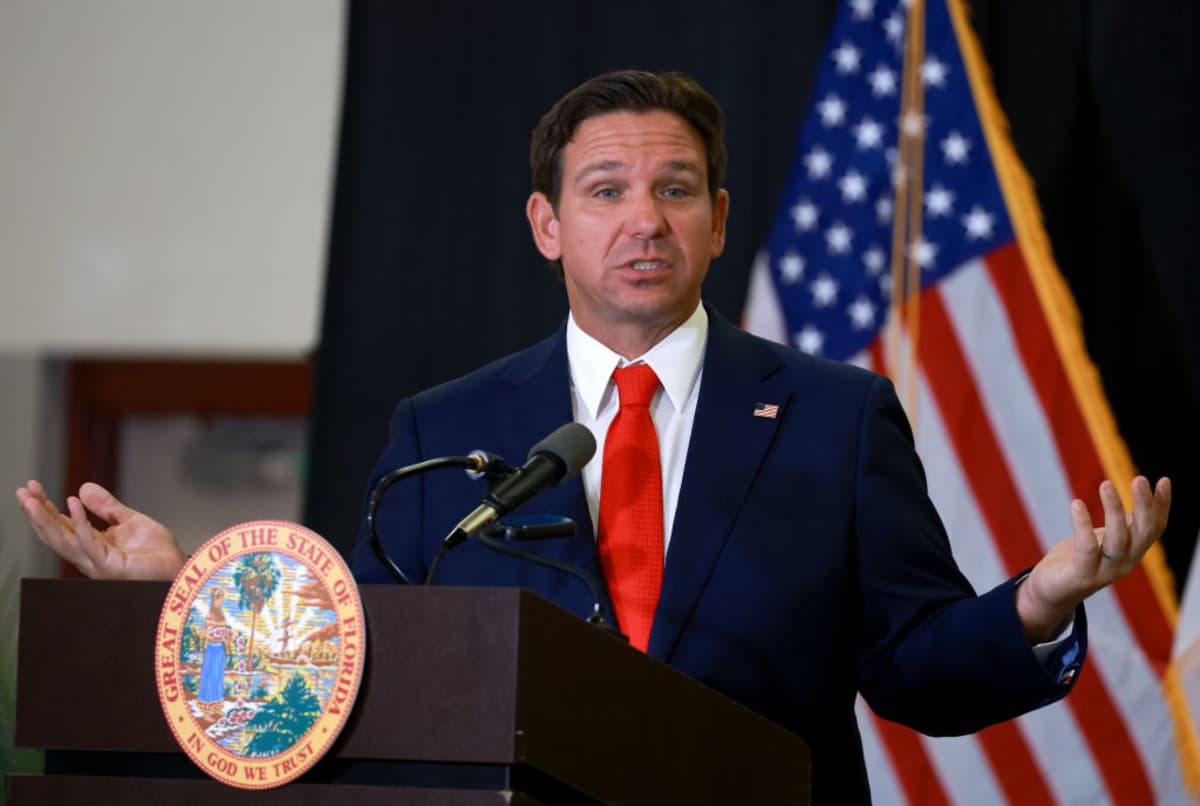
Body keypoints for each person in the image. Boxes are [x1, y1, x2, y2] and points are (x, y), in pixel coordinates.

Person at [15, 70, 1172, 803]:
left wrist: (1038, 599)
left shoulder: (832, 415)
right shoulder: (447, 428)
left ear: (720, 224)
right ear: (546, 225)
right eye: (607, 189)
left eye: (677, 190)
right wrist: (178, 587)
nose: (644, 219)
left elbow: (913, 667)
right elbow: (357, 660)